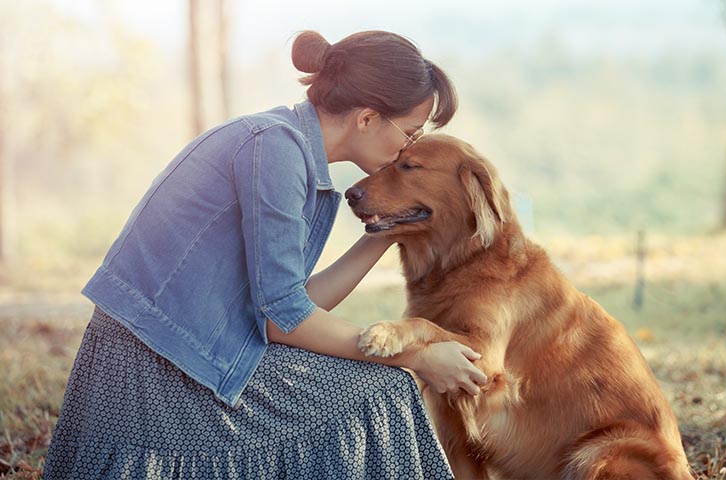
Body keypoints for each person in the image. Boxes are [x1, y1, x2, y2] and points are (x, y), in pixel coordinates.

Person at [43, 30, 487, 479]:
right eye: (410, 133)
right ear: (369, 118)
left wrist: (384, 233)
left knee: (375, 385)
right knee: (381, 390)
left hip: (195, 353)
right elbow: (282, 321)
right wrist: (415, 356)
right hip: (155, 374)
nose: (408, 149)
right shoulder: (275, 149)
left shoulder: (285, 145)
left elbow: (290, 304)